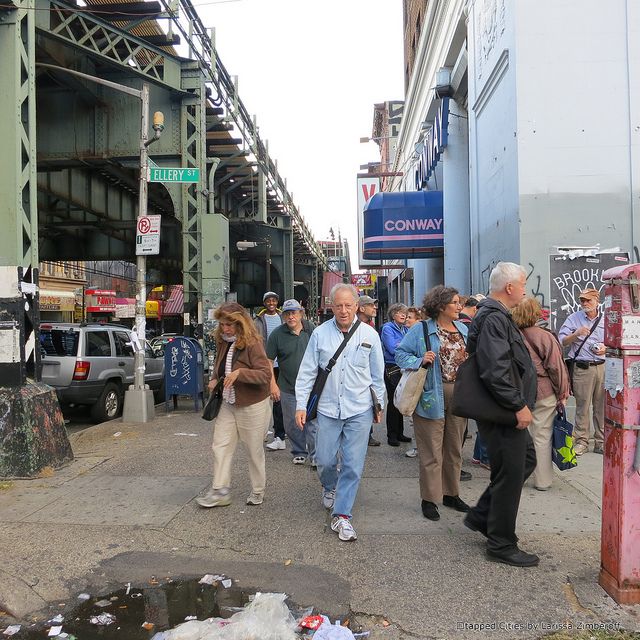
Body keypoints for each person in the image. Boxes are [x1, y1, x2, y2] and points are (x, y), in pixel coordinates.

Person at [295, 283, 385, 542]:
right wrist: (301, 405)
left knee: (353, 465)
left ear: (357, 306)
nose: (343, 310)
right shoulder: (320, 334)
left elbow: (377, 377)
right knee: (323, 459)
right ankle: (329, 485)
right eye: (338, 305)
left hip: (359, 409)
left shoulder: (370, 335)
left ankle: (342, 515)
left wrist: (378, 405)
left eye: (348, 305)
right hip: (327, 409)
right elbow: (307, 373)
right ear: (331, 307)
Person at [463, 262, 539, 567]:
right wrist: (517, 405)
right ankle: (501, 543)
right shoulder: (494, 318)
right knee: (509, 475)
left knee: (526, 461)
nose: (524, 288)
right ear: (510, 287)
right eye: (522, 283)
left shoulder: (495, 316)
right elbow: (496, 370)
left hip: (504, 409)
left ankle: (483, 515)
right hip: (505, 411)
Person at [395, 286, 470, 522]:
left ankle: (451, 493)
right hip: (430, 395)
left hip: (460, 395)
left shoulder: (464, 329)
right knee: (431, 452)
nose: (460, 307)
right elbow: (400, 355)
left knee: (454, 448)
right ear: (440, 306)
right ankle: (429, 499)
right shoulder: (421, 329)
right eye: (455, 303)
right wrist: (419, 360)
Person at [197, 302, 272, 509]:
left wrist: (240, 374)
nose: (225, 329)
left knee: (253, 449)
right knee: (220, 445)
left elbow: (265, 375)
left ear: (240, 323)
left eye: (229, 325)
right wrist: (214, 378)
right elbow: (220, 365)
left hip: (252, 404)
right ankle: (220, 491)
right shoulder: (223, 341)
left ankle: (258, 490)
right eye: (222, 325)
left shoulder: (253, 343)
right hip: (228, 402)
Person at [512, 298, 570, 490]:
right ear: (535, 313)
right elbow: (555, 367)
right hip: (542, 390)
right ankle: (542, 480)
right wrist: (563, 391)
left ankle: (517, 476)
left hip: (516, 391)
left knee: (520, 435)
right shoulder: (544, 336)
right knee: (542, 435)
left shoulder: (510, 335)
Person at [266, 299, 315, 465]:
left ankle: (315, 454)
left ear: (301, 313)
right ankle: (299, 451)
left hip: (313, 387)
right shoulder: (277, 335)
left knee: (313, 423)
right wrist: (272, 384)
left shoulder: (311, 330)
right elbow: (268, 361)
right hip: (287, 386)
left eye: (294, 312)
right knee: (292, 423)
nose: (290, 316)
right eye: (287, 313)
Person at [557, 288, 605, 455]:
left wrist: (605, 348)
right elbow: (562, 341)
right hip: (582, 367)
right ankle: (581, 441)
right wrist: (575, 334)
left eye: (588, 300)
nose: (584, 303)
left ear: (597, 301)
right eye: (582, 300)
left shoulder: (606, 319)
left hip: (602, 366)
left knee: (601, 406)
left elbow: (615, 341)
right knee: (582, 406)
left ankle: (600, 441)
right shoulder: (574, 318)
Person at [458, 294, 489, 473]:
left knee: (468, 422)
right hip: (472, 378)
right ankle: (483, 456)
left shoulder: (464, 325)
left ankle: (479, 455)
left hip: (465, 378)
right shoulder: (468, 326)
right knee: (482, 418)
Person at [255, 291, 286, 452]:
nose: (271, 303)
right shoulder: (258, 320)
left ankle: (280, 433)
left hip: (282, 365)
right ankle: (266, 429)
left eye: (274, 300)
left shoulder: (284, 317)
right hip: (265, 364)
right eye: (268, 300)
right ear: (264, 303)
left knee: (278, 400)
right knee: (263, 398)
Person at [381, 303, 409, 446]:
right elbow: (392, 348)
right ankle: (391, 435)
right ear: (393, 315)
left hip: (403, 366)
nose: (403, 315)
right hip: (392, 367)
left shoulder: (405, 329)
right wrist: (405, 345)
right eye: (399, 312)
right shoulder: (387, 328)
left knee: (400, 400)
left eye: (404, 312)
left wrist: (401, 344)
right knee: (393, 400)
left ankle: (400, 433)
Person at [357, 295, 381, 447]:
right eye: (372, 305)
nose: (375, 308)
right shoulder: (353, 325)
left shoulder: (371, 325)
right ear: (361, 308)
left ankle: (368, 433)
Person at [404, 307, 422, 458]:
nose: (406, 319)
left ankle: (418, 447)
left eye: (410, 317)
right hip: (414, 377)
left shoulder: (416, 334)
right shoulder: (411, 333)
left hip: (417, 379)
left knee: (415, 416)